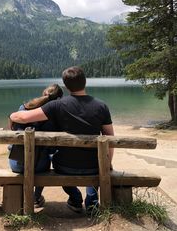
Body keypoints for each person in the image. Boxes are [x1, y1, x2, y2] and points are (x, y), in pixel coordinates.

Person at [9, 66, 114, 214]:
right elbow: (110, 138)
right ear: (85, 82)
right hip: (95, 166)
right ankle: (92, 204)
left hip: (65, 167)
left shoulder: (57, 105)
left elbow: (23, 117)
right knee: (94, 162)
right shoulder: (102, 106)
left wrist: (12, 116)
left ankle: (75, 199)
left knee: (55, 159)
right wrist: (107, 163)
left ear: (65, 85)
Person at [8, 84, 63, 208]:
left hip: (16, 163)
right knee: (47, 160)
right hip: (39, 166)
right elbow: (52, 149)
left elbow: (13, 131)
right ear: (59, 99)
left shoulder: (24, 107)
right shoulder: (53, 116)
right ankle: (36, 197)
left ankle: (27, 197)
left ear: (43, 93)